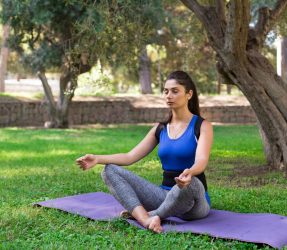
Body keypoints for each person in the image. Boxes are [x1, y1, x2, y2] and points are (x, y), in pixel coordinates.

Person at [76, 70, 213, 233]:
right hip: (163, 197)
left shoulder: (202, 126)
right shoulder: (160, 128)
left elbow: (201, 161)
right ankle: (146, 219)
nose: (169, 95)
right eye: (166, 91)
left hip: (193, 204)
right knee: (109, 171)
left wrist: (190, 172)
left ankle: (153, 215)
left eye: (175, 91)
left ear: (189, 94)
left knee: (192, 184)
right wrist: (98, 159)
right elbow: (130, 156)